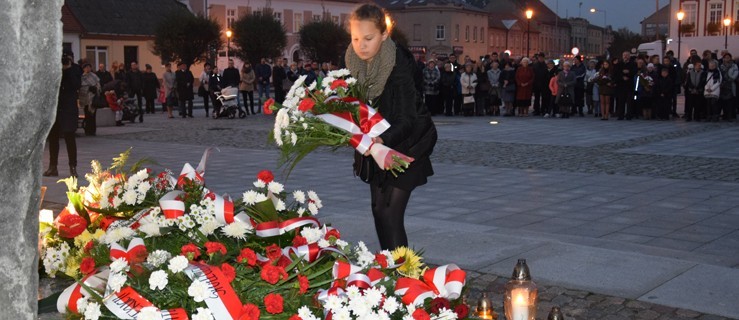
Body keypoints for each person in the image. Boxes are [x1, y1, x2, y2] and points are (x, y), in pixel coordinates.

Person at [346, 3, 437, 250]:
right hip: (376, 144)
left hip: (408, 143)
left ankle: (403, 275)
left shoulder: (398, 64)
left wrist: (382, 141)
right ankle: (388, 268)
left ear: (384, 34)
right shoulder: (353, 62)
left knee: (390, 212)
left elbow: (408, 117)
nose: (361, 45)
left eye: (368, 38)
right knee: (377, 209)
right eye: (355, 38)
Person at [44, 52, 80, 178]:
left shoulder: (75, 69)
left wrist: (68, 70)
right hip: (55, 107)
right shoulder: (54, 68)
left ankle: (73, 167)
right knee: (53, 138)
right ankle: (52, 167)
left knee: (70, 138)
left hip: (68, 109)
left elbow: (76, 85)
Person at [79, 63, 100, 136]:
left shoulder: (94, 76)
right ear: (84, 68)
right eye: (86, 67)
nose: (88, 69)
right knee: (87, 115)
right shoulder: (82, 77)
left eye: (89, 67)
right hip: (85, 99)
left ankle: (93, 130)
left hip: (93, 99)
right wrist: (88, 88)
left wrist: (95, 89)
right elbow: (81, 88)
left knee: (93, 115)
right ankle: (87, 130)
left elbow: (98, 85)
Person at [719, 53, 738, 121]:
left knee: (730, 101)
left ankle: (730, 115)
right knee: (723, 101)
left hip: (730, 84)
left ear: (730, 58)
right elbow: (720, 75)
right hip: (723, 85)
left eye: (728, 57)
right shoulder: (721, 66)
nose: (727, 58)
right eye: (725, 57)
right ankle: (725, 115)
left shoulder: (734, 66)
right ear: (723, 58)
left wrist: (731, 78)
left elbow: (735, 74)